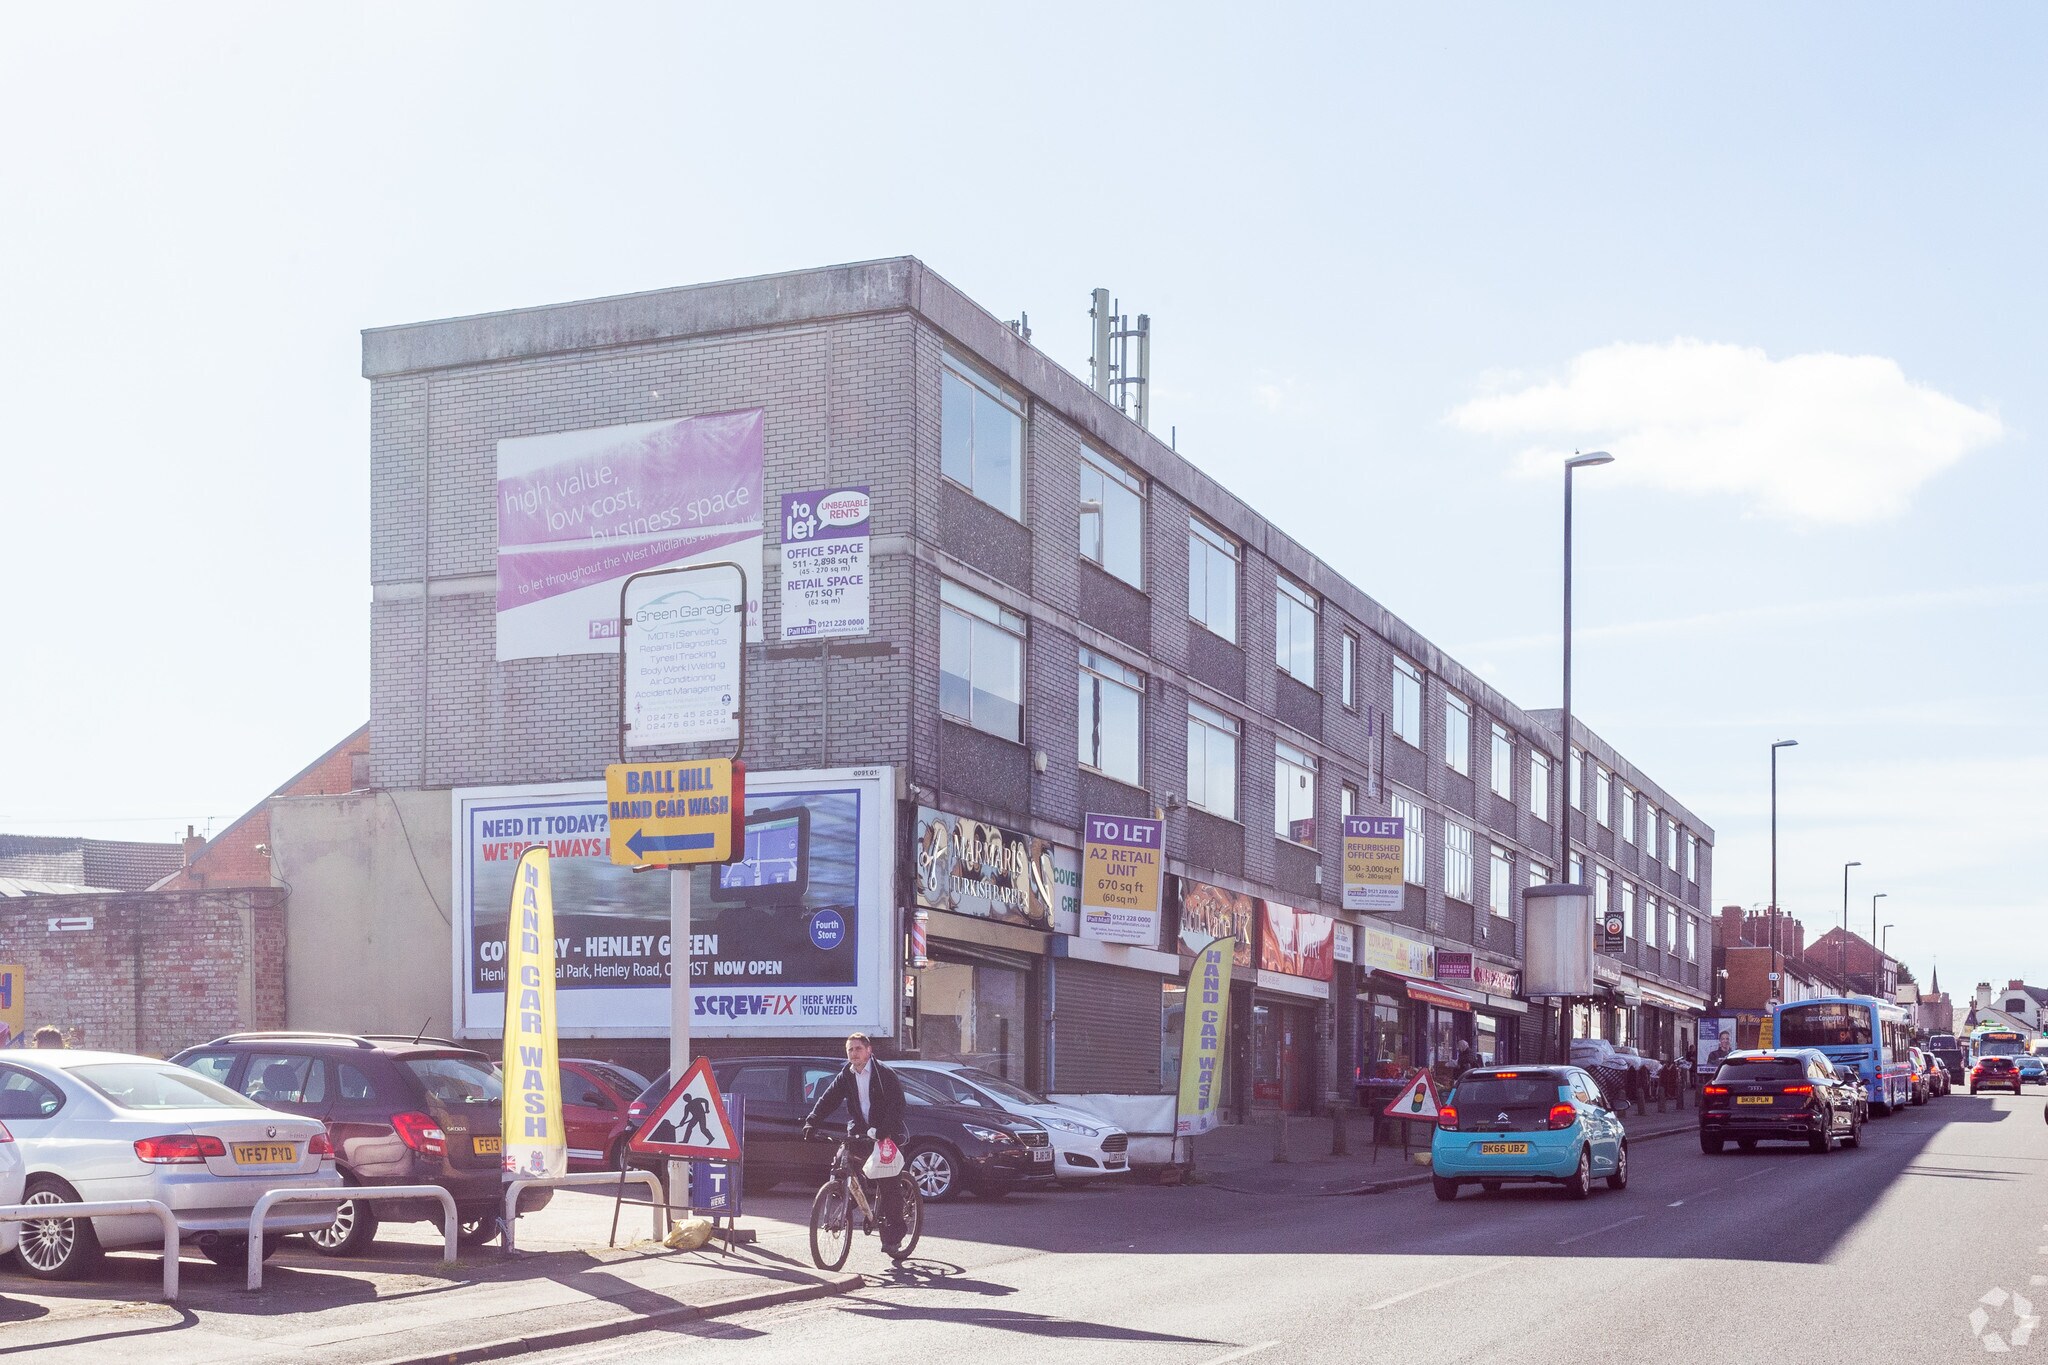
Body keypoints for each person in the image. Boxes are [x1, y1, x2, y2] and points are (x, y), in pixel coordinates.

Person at [801, 1033, 910, 1253]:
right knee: (842, 1162)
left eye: (858, 1049)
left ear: (869, 1050)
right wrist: (812, 1121)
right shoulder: (847, 1074)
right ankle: (847, 1200)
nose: (854, 1054)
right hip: (860, 1131)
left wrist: (883, 1131)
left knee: (889, 1185)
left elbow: (897, 1105)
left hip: (885, 1134)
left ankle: (894, 1235)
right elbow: (829, 1098)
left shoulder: (884, 1074)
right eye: (850, 1050)